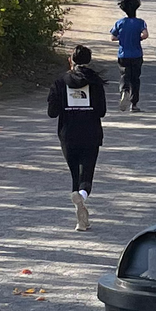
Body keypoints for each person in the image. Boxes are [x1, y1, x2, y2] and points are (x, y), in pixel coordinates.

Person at [48, 44, 109, 230]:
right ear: (89, 61)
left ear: (70, 61)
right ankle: (81, 198)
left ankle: (81, 217)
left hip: (68, 135)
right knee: (86, 174)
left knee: (75, 175)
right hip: (91, 134)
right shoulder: (95, 82)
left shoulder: (59, 82)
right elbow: (101, 111)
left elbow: (52, 112)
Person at [110, 0, 147, 110]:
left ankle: (124, 90)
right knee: (135, 79)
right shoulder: (140, 22)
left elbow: (112, 37)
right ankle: (134, 104)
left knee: (124, 75)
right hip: (136, 54)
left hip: (123, 54)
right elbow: (145, 35)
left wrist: (122, 38)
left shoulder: (120, 23)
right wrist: (138, 38)